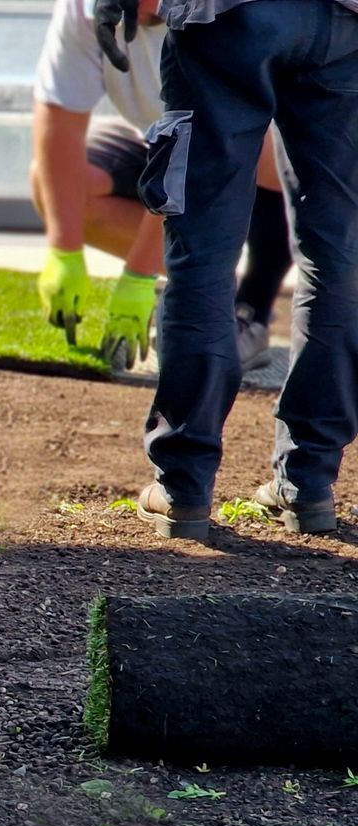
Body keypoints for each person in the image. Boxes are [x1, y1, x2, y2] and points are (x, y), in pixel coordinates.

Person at [106, 0, 357, 537]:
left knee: (203, 253)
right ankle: (307, 482)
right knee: (337, 254)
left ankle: (184, 484)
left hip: (230, 16)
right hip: (346, 26)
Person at [31, 0, 292, 371]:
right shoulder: (83, 8)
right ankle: (212, 283)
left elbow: (198, 144)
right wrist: (64, 249)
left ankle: (250, 307)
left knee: (265, 148)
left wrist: (138, 275)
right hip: (159, 141)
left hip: (256, 145)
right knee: (54, 184)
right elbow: (60, 113)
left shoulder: (216, 13)